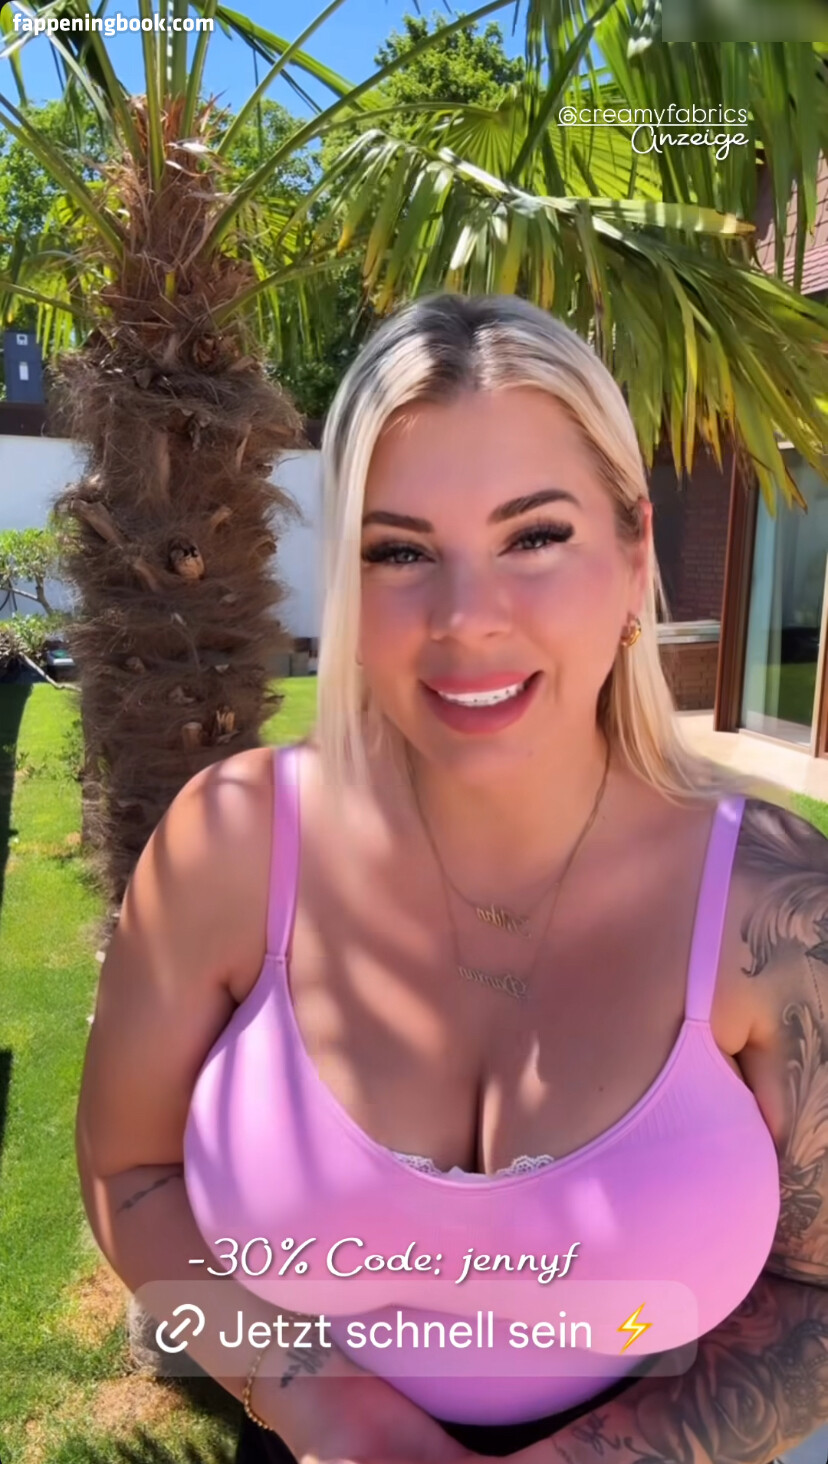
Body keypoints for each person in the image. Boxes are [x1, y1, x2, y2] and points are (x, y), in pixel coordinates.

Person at [76, 293, 828, 1464]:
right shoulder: (231, 847)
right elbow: (130, 1172)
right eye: (401, 551)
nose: (468, 618)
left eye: (536, 537)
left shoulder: (777, 910)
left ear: (634, 553)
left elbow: (820, 1293)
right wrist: (325, 1407)